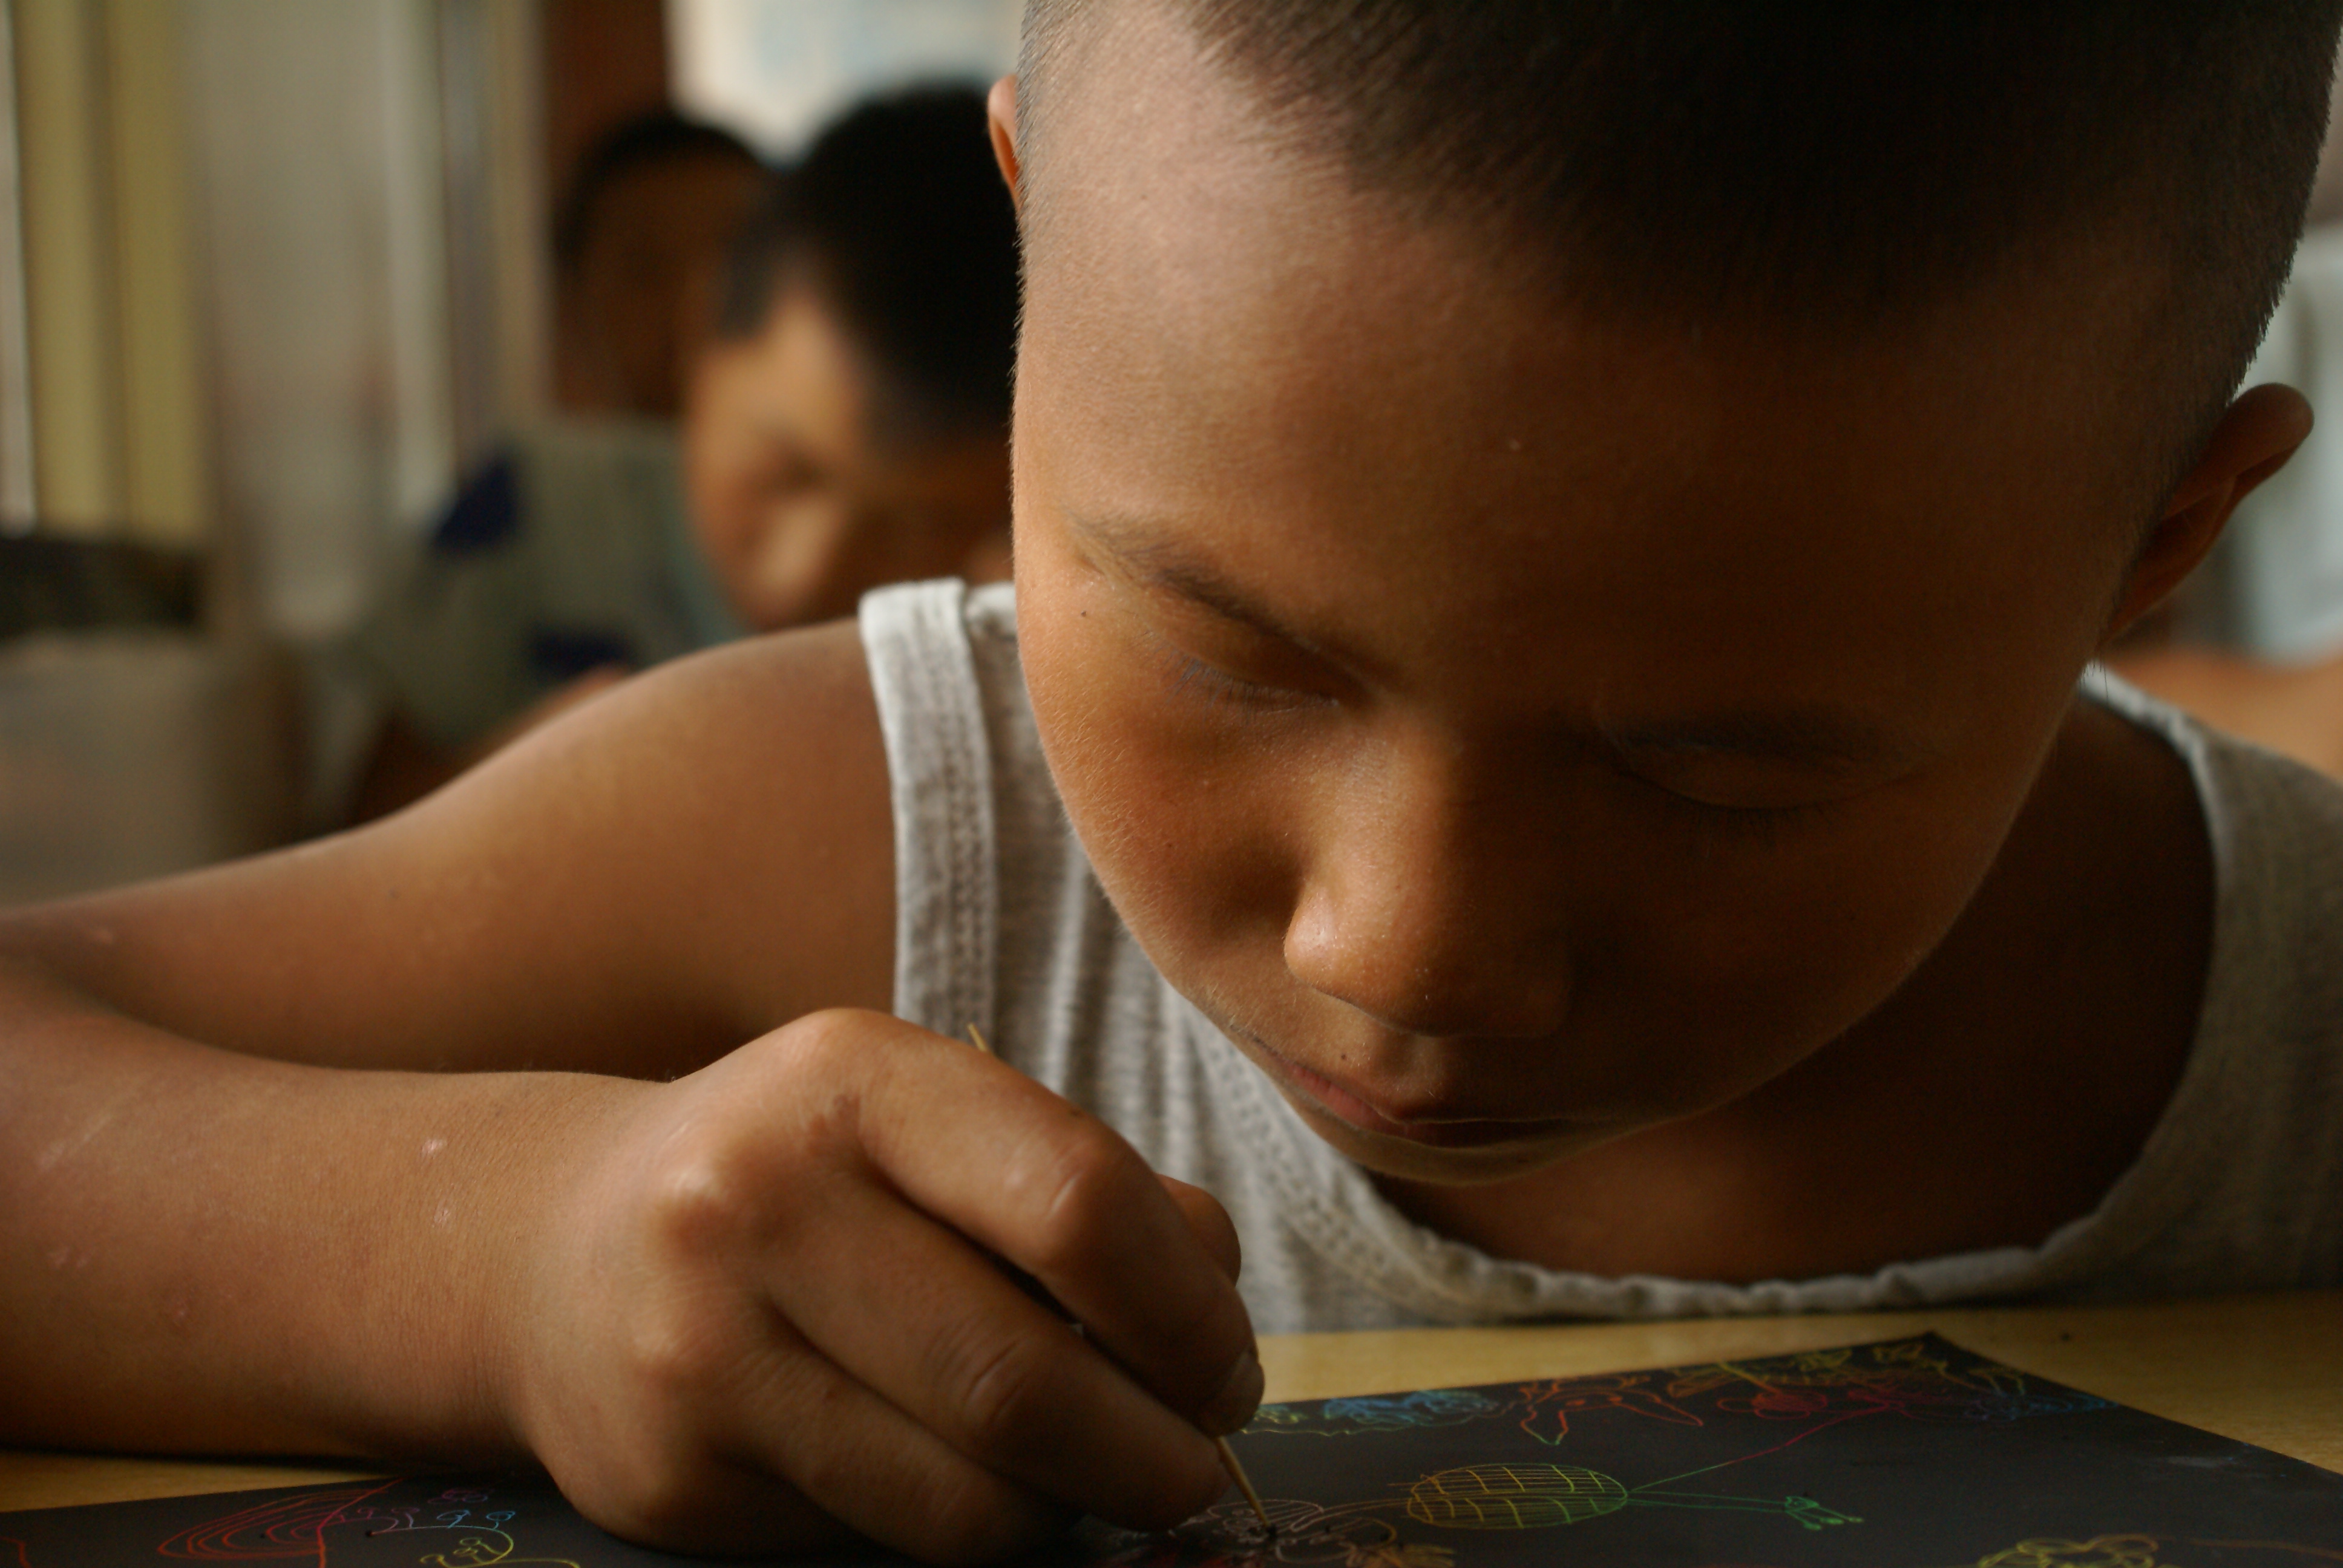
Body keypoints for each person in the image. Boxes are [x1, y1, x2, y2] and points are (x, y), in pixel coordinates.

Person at [5, 4, 2342, 1565]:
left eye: (1722, 768)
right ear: (1039, 255)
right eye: (1235, 650)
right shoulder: (879, 833)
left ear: (2156, 542)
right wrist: (515, 1249)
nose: (1404, 947)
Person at [343, 88, 1018, 821]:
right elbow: (354, 832)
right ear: (702, 329)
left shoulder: (1006, 625)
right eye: (784, 474)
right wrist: (515, 798)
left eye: (919, 524)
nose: (806, 570)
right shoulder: (534, 514)